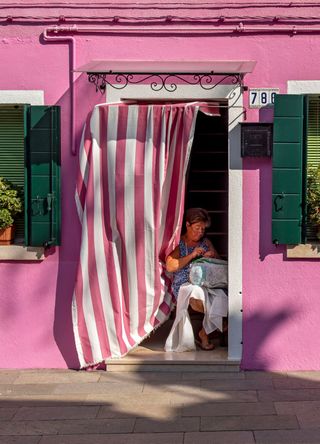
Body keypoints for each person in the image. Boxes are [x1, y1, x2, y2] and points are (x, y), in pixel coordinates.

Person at [165, 207, 220, 350]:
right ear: (187, 225)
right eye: (196, 228)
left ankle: (203, 331)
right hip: (184, 283)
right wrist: (192, 255)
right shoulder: (180, 243)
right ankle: (210, 332)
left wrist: (212, 255)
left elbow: (219, 261)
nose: (200, 232)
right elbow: (170, 266)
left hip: (206, 282)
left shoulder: (205, 242)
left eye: (202, 229)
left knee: (221, 297)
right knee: (199, 295)